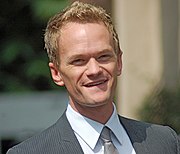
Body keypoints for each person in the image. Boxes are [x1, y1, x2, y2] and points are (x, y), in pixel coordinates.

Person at [7, 1, 180, 154]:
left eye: (103, 56)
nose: (94, 70)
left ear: (119, 62)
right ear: (56, 73)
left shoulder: (165, 142)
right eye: (79, 61)